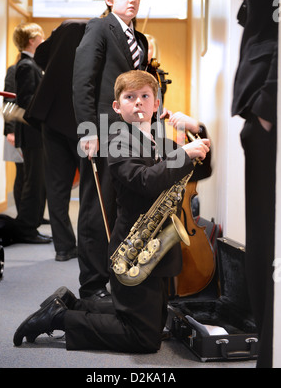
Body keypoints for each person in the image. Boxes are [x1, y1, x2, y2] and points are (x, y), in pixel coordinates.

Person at [13, 70, 211, 353]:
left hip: (154, 249)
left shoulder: (161, 142)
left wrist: (199, 129)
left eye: (145, 96)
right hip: (134, 248)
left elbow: (204, 167)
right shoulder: (118, 142)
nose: (139, 103)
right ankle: (61, 317)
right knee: (143, 339)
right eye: (130, 97)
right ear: (117, 107)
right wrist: (185, 154)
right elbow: (145, 180)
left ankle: (73, 303)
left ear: (157, 104)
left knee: (153, 323)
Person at [72, 0, 149, 301]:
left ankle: (117, 276)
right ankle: (91, 285)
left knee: (121, 208)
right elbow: (83, 82)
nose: (132, 0)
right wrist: (88, 131)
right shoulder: (99, 28)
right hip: (101, 132)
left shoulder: (141, 39)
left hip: (131, 135)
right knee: (95, 208)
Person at [224, 0, 279, 368]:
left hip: (267, 109)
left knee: (266, 244)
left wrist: (267, 102)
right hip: (260, 110)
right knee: (262, 248)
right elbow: (267, 23)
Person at [24, 19, 87, 261]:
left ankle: (63, 248)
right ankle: (89, 246)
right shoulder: (93, 35)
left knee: (57, 187)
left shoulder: (61, 31)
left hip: (51, 119)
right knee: (89, 190)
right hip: (83, 123)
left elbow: (40, 56)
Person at [12, 22, 51, 245]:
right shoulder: (27, 66)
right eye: (41, 36)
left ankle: (32, 224)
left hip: (36, 134)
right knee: (33, 183)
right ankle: (27, 229)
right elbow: (26, 102)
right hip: (33, 134)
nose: (43, 39)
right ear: (31, 39)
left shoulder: (32, 64)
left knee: (38, 182)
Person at [3, 58, 24, 212]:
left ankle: (31, 215)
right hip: (15, 131)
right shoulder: (14, 70)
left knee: (30, 175)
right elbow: (8, 100)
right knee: (22, 173)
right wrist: (10, 131)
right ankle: (21, 214)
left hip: (28, 132)